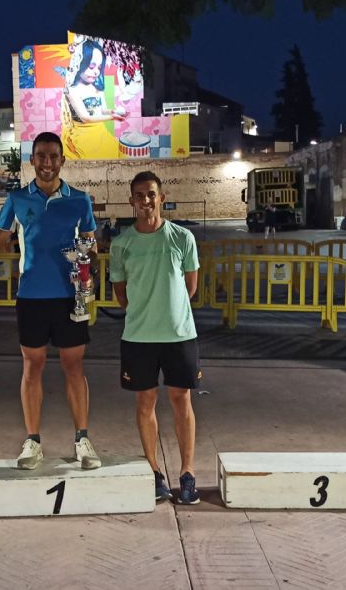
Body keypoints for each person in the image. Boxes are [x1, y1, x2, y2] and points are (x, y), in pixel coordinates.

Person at [0, 131, 101, 470]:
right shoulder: (17, 200)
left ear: (62, 160)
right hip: (31, 297)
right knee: (33, 368)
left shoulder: (80, 200)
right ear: (33, 160)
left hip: (69, 299)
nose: (46, 162)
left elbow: (92, 249)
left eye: (52, 156)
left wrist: (88, 264)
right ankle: (33, 441)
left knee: (74, 368)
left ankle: (82, 439)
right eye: (40, 156)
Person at [109, 170, 201, 505]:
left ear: (161, 197)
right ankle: (154, 472)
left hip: (179, 335)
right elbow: (121, 295)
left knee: (182, 401)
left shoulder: (181, 238)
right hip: (138, 337)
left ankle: (187, 472)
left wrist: (169, 310)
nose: (146, 201)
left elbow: (190, 288)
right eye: (139, 195)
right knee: (145, 403)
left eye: (151, 194)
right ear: (131, 201)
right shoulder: (122, 243)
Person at [62, 38, 126, 159]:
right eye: (91, 66)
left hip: (100, 132)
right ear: (80, 63)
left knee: (115, 153)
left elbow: (102, 109)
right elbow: (85, 117)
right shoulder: (71, 90)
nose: (96, 72)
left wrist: (113, 111)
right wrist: (112, 117)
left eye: (99, 67)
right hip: (82, 136)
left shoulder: (96, 86)